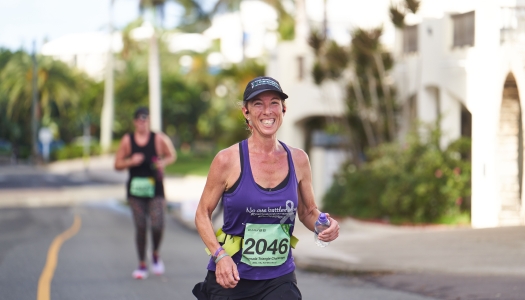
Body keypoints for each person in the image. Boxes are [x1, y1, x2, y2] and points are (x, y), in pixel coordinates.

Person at [193, 76, 340, 299]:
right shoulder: (227, 160)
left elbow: (308, 212)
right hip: (232, 276)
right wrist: (219, 255)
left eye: (274, 103)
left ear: (283, 109)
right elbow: (202, 214)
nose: (267, 111)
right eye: (258, 104)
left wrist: (324, 226)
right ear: (246, 112)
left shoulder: (298, 159)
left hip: (279, 278)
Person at [114, 107, 176, 279]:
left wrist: (163, 162)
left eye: (146, 119)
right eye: (140, 120)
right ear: (135, 122)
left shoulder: (158, 138)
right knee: (141, 226)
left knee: (158, 225)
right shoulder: (128, 140)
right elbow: (117, 164)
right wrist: (130, 161)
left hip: (155, 189)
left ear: (149, 121)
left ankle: (155, 253)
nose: (143, 123)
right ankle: (142, 264)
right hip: (136, 191)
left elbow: (172, 155)